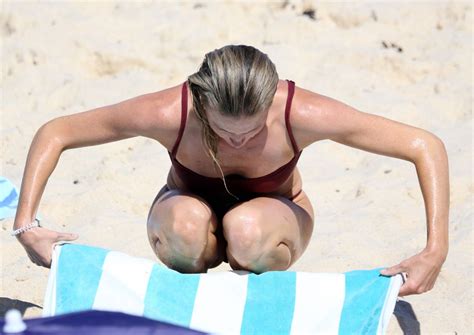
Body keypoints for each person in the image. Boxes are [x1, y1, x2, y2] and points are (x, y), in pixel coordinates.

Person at [13, 45, 448, 296]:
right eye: (224, 133)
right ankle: (192, 297)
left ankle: (250, 296)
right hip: (186, 213)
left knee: (245, 229)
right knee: (185, 225)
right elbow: (57, 132)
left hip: (274, 216)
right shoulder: (169, 111)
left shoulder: (304, 112)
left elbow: (425, 145)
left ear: (271, 103)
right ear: (202, 105)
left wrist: (435, 250)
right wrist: (25, 224)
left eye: (252, 131)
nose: (238, 143)